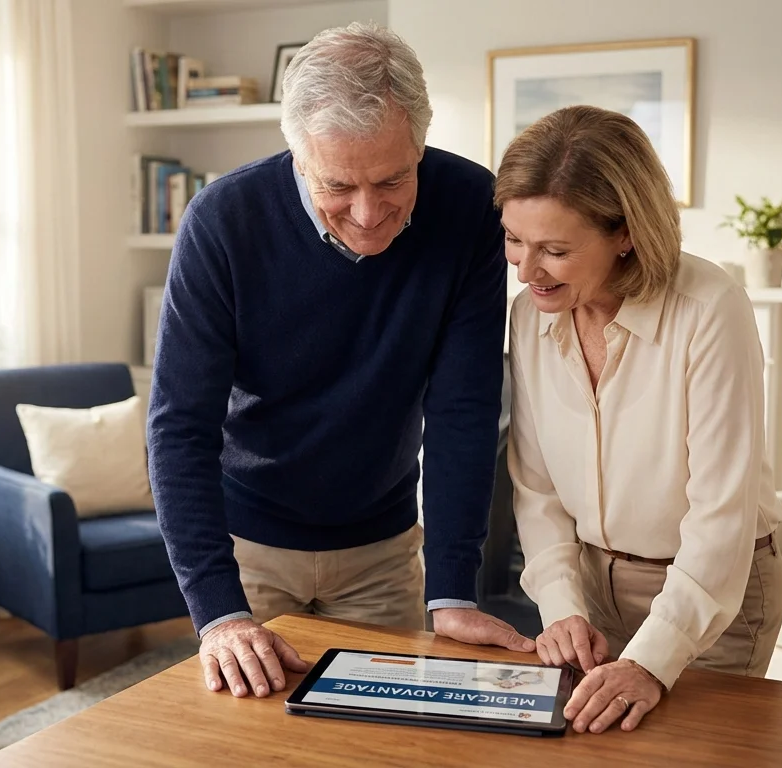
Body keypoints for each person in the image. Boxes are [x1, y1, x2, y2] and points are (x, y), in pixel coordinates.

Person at [147, 21, 533, 703]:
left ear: (421, 136)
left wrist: (450, 586)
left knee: (382, 743)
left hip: (382, 552)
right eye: (337, 186)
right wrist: (219, 610)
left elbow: (463, 410)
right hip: (247, 550)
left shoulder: (472, 207)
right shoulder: (221, 222)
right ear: (296, 155)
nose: (367, 214)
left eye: (392, 180)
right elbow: (180, 426)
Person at [498, 105, 782, 735]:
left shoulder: (710, 310)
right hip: (590, 583)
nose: (525, 270)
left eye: (554, 250)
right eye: (514, 239)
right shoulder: (530, 315)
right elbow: (538, 486)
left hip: (715, 597)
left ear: (624, 232)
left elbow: (721, 515)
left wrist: (654, 661)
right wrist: (561, 608)